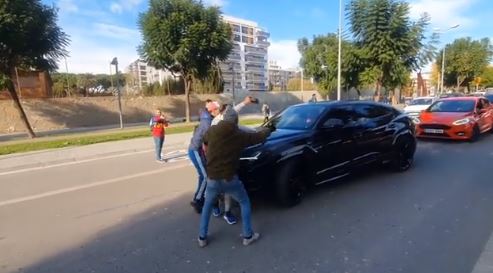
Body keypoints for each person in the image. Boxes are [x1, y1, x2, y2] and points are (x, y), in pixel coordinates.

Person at [198, 107, 272, 247]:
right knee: (244, 202)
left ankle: (202, 237)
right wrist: (268, 130)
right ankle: (247, 235)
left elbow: (204, 140)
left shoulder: (213, 130)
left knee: (207, 205)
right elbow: (258, 137)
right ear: (235, 120)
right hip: (229, 178)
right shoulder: (238, 135)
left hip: (212, 177)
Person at [208, 96, 256, 225]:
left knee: (227, 187)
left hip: (229, 159)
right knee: (219, 187)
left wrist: (254, 131)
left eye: (222, 107)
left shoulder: (227, 116)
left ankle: (227, 212)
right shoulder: (216, 123)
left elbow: (236, 113)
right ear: (215, 111)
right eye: (220, 107)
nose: (223, 109)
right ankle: (215, 206)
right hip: (220, 160)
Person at [188, 100, 221, 214]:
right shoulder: (207, 123)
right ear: (212, 110)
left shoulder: (207, 118)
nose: (219, 111)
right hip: (196, 150)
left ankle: (199, 198)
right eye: (217, 109)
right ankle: (197, 200)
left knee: (203, 176)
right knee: (206, 176)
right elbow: (207, 142)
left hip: (197, 149)